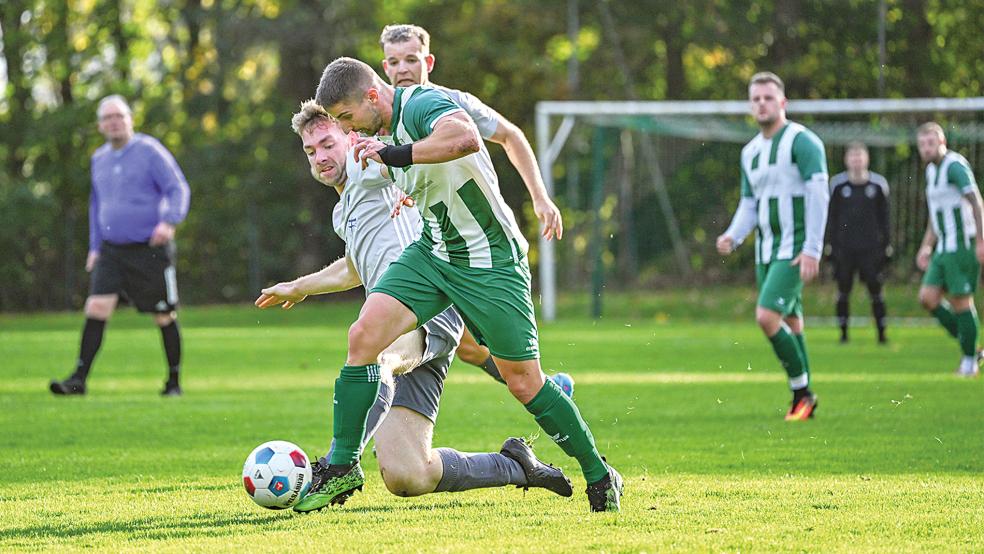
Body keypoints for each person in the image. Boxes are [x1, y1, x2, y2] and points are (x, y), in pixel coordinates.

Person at [310, 57, 622, 512]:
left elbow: (464, 138)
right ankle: (339, 468)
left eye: (346, 118)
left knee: (524, 382)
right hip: (433, 252)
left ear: (372, 97)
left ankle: (598, 472)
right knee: (363, 336)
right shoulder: (377, 134)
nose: (346, 128)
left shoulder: (422, 104)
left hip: (490, 261)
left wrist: (394, 157)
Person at [255, 102, 574, 510]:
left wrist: (404, 166)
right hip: (401, 326)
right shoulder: (344, 209)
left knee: (377, 355)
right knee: (407, 475)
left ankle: (339, 466)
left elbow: (419, 153)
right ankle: (516, 465)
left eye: (327, 143)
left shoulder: (371, 168)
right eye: (310, 151)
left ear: (352, 138)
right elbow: (353, 269)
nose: (320, 157)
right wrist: (298, 287)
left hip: (431, 313)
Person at [377, 23, 565, 387]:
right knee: (465, 346)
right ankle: (549, 387)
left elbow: (511, 135)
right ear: (384, 68)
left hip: (475, 246)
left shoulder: (453, 103)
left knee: (461, 344)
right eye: (394, 61)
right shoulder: (379, 113)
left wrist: (540, 198)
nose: (403, 69)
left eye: (411, 59)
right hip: (430, 244)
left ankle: (545, 388)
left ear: (427, 61)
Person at [50, 95, 190, 396]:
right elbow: (96, 205)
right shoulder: (98, 158)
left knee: (164, 314)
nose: (114, 122)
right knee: (96, 307)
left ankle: (173, 382)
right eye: (107, 118)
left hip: (150, 249)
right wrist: (94, 247)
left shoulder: (149, 151)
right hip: (112, 250)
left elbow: (177, 187)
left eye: (119, 116)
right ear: (100, 125)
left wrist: (168, 221)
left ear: (130, 119)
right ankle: (78, 379)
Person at [716, 72, 829, 421]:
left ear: (783, 102)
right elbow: (749, 203)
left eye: (768, 97)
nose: (761, 103)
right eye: (756, 99)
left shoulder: (802, 141)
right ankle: (805, 400)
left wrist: (812, 248)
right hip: (766, 250)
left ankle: (802, 392)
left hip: (793, 248)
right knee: (792, 322)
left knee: (767, 317)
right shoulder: (750, 152)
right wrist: (733, 234)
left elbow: (818, 193)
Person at [915, 122, 984, 377]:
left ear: (942, 142)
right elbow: (937, 214)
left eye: (931, 143)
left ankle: (969, 363)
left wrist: (981, 240)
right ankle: (971, 342)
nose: (926, 148)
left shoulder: (955, 166)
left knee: (960, 302)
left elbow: (976, 202)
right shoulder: (931, 172)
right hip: (943, 247)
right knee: (927, 298)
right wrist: (926, 246)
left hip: (962, 245)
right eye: (922, 144)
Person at [826, 142, 891, 344]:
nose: (856, 160)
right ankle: (843, 334)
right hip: (844, 249)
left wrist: (887, 244)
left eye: (859, 156)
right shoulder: (837, 186)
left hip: (870, 249)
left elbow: (885, 218)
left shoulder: (878, 185)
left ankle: (881, 334)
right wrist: (829, 245)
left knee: (876, 290)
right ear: (846, 160)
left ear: (866, 159)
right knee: (843, 290)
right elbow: (831, 218)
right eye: (852, 156)